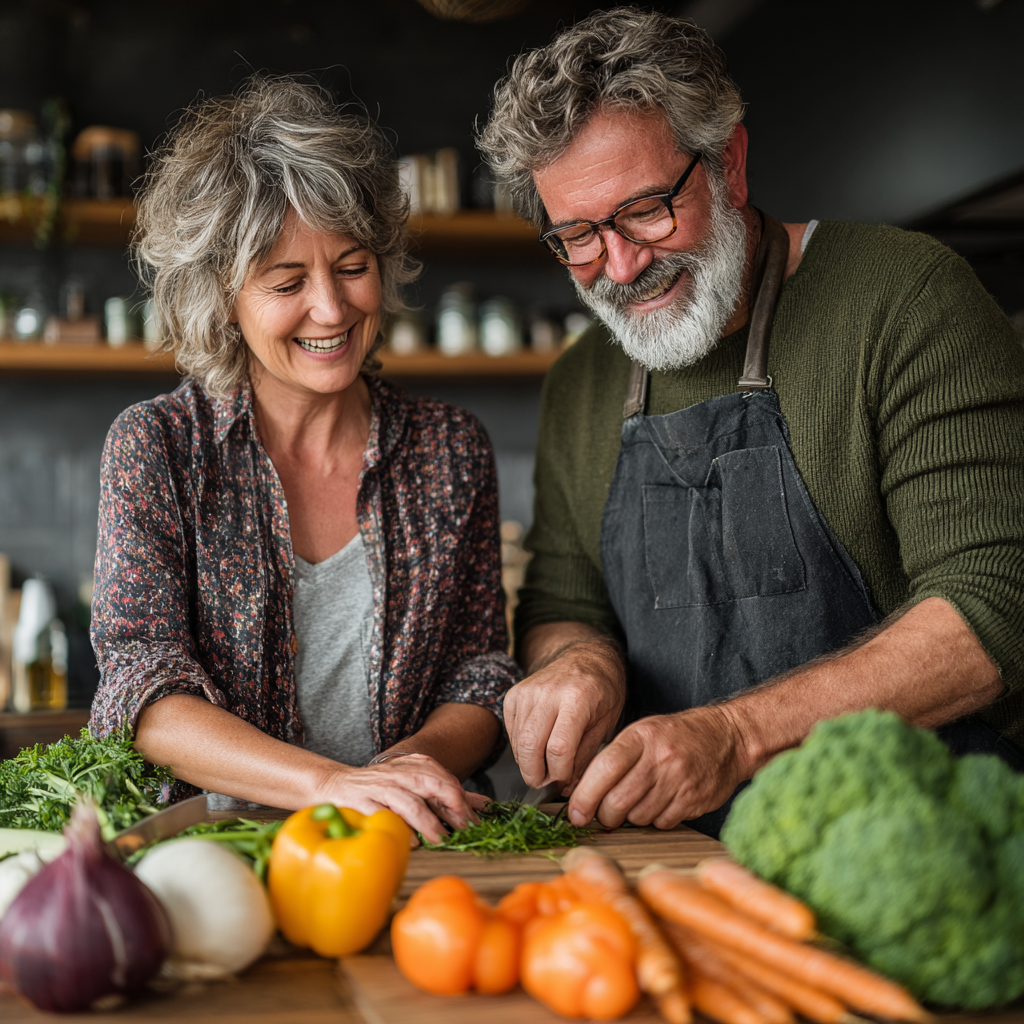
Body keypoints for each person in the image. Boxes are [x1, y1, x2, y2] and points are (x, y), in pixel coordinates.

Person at [476, 7, 1024, 837]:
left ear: (729, 164)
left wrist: (733, 736)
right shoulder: (581, 381)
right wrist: (577, 661)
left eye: (647, 210)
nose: (620, 266)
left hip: (919, 839)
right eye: (577, 237)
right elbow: (564, 596)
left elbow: (996, 600)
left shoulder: (904, 299)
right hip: (681, 861)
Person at [89, 77, 518, 844]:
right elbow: (143, 691)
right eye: (287, 282)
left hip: (407, 843)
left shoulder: (451, 450)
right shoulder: (158, 449)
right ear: (223, 296)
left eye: (352, 266)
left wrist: (402, 774)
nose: (331, 308)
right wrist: (333, 787)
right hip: (218, 856)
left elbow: (479, 677)